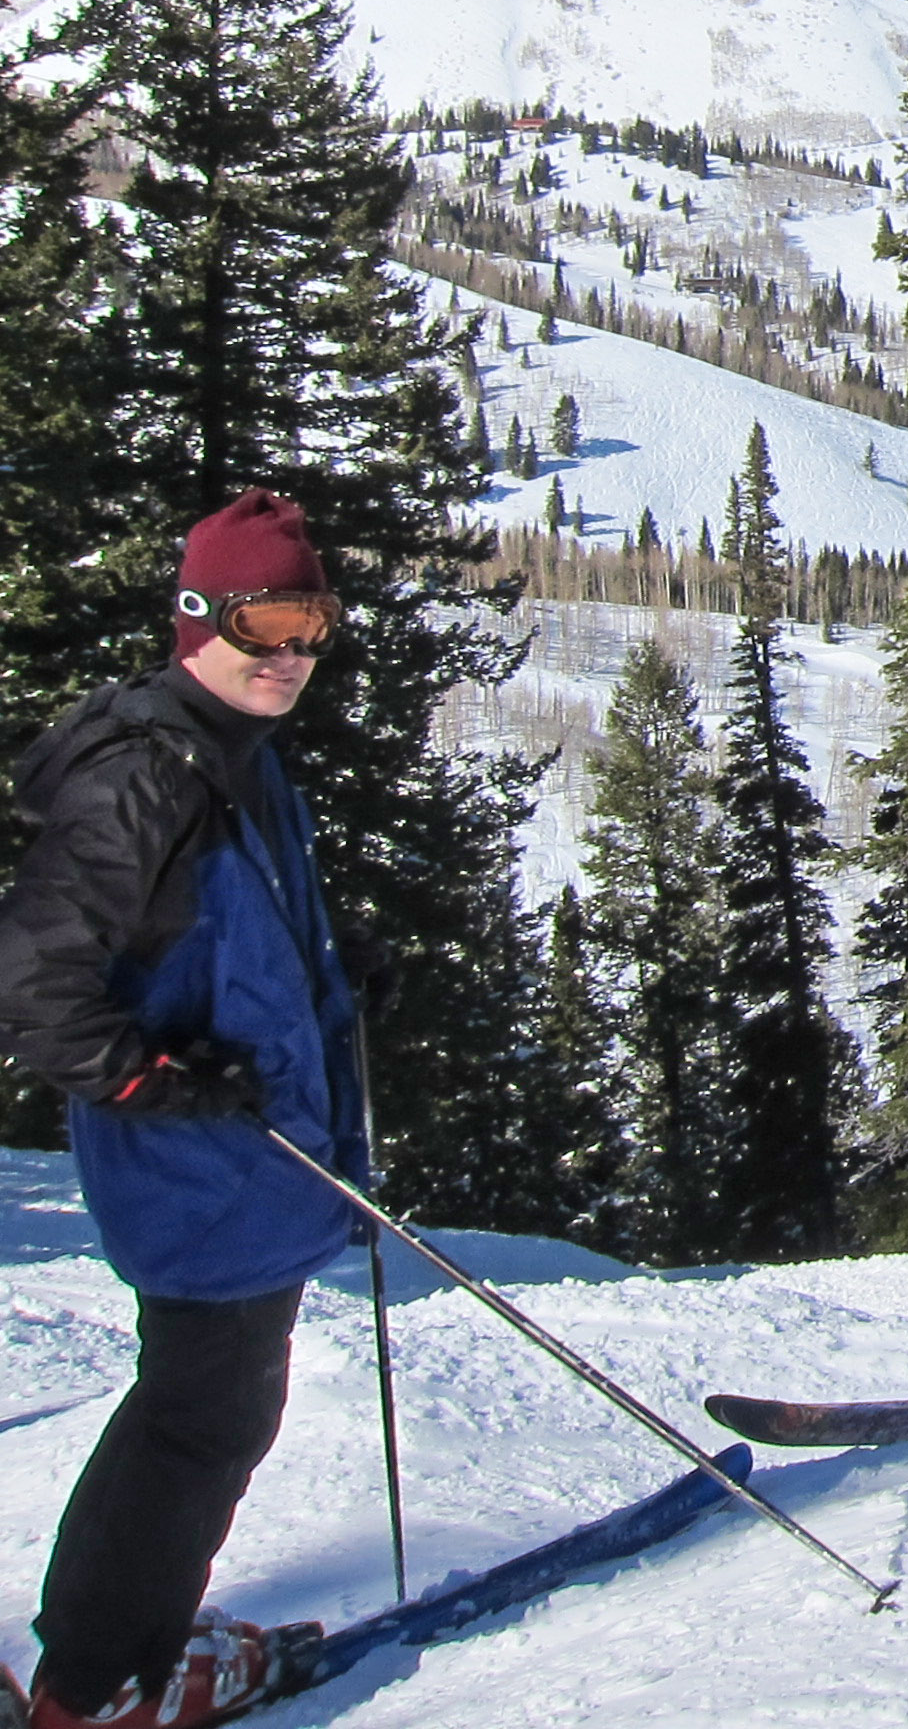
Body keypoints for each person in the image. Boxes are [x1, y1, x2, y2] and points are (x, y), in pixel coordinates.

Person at [0, 493, 367, 1729]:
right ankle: (99, 1682)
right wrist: (154, 1079)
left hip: (242, 1159)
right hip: (197, 1168)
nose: (291, 655)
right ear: (198, 616)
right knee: (204, 1418)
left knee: (198, 1409)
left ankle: (100, 1655)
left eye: (312, 623)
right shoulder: (146, 777)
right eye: (266, 621)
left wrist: (333, 973)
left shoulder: (231, 756)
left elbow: (222, 940)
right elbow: (34, 988)